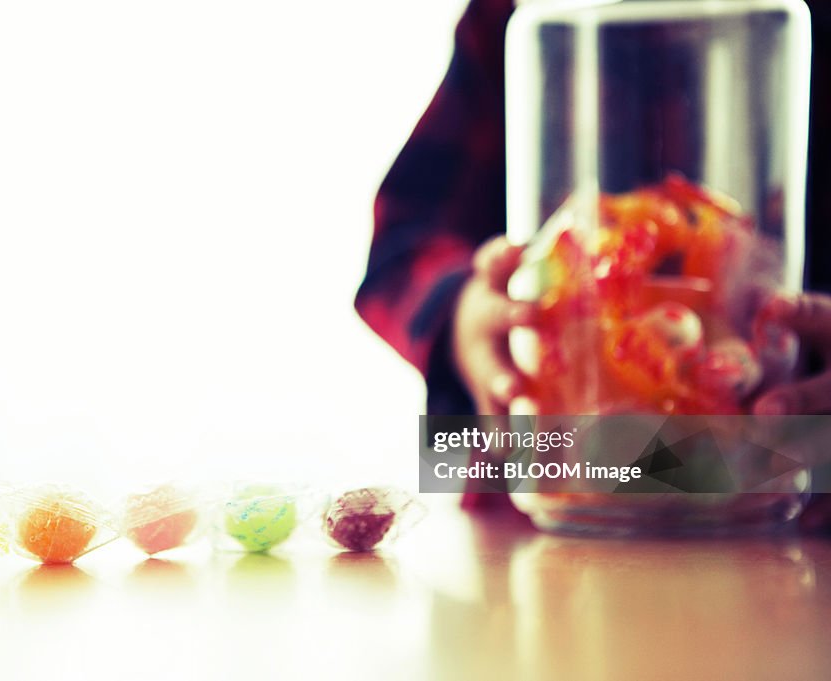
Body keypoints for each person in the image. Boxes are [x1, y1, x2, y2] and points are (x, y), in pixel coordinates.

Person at [355, 0, 831, 529]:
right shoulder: (514, 17)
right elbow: (401, 245)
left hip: (787, 514)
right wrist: (466, 314)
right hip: (546, 515)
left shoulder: (790, 20)